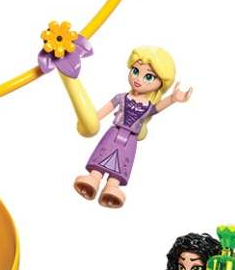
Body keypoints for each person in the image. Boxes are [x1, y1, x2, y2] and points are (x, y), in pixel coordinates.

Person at [72, 47, 191, 208]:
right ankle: (94, 178)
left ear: (161, 84)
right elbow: (100, 113)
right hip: (113, 134)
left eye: (148, 76)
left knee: (122, 162)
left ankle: (112, 187)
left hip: (130, 140)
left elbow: (157, 108)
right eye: (135, 71)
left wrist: (172, 99)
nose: (138, 79)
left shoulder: (148, 106)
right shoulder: (121, 98)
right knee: (102, 155)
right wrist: (89, 121)